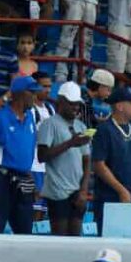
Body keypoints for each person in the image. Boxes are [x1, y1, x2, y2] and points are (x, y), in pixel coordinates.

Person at [0, 75, 40, 235]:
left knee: (25, 230)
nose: (35, 96)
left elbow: (27, 152)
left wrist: (31, 180)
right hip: (1, 178)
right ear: (19, 94)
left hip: (23, 178)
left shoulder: (30, 117)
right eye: (31, 92)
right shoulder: (0, 118)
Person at [37, 82, 92, 237]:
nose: (75, 107)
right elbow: (42, 156)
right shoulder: (49, 124)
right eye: (71, 103)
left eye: (77, 104)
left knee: (75, 237)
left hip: (77, 190)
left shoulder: (81, 126)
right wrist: (70, 143)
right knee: (60, 237)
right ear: (60, 102)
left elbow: (87, 160)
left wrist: (83, 190)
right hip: (57, 191)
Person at [92, 87, 131, 230]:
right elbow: (99, 164)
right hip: (109, 198)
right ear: (120, 106)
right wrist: (120, 190)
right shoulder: (104, 130)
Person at [52, 0, 98, 83]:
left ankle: (80, 74)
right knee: (67, 37)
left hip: (91, 0)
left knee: (87, 41)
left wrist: (96, 0)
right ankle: (61, 74)